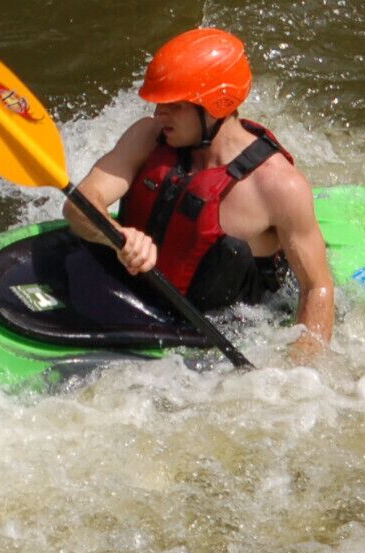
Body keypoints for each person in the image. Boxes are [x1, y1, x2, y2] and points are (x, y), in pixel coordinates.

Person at [62, 27, 336, 359]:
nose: (158, 114)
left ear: (216, 106)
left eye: (173, 106)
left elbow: (316, 287)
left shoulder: (277, 186)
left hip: (219, 335)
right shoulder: (147, 138)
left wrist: (299, 371)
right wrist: (117, 237)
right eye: (159, 104)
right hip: (133, 304)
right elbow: (79, 205)